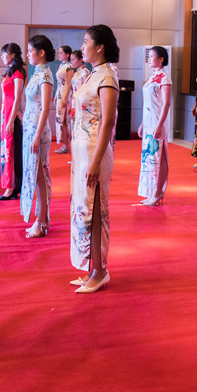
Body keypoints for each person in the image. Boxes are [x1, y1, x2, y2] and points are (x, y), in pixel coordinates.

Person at [69, 24, 120, 294]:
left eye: (86, 42)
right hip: (82, 150)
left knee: (95, 208)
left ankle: (100, 271)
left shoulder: (107, 76)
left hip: (94, 151)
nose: (82, 47)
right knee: (83, 208)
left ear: (100, 47)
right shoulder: (92, 74)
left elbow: (108, 121)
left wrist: (96, 160)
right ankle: (92, 267)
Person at [20, 35, 54, 238]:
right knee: (34, 174)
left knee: (40, 176)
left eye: (30, 51)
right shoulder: (36, 73)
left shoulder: (46, 76)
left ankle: (41, 221)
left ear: (41, 53)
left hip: (38, 133)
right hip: (30, 130)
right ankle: (41, 218)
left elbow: (46, 108)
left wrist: (37, 135)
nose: (27, 55)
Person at [137, 46, 172, 206]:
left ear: (161, 59)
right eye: (149, 56)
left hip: (158, 122)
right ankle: (152, 192)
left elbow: (166, 104)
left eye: (152, 56)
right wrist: (142, 124)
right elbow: (147, 104)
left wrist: (159, 125)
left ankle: (158, 193)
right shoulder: (152, 77)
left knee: (158, 156)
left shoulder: (164, 78)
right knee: (149, 158)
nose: (149, 59)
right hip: (148, 122)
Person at [0, 43, 25, 201]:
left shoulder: (18, 74)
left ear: (13, 55)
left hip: (12, 115)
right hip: (6, 114)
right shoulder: (10, 72)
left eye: (5, 54)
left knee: (11, 150)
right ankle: (9, 184)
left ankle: (13, 186)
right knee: (6, 150)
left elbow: (17, 98)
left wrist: (11, 120)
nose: (3, 57)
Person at [53, 45, 74, 154]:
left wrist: (65, 98)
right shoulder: (61, 65)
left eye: (61, 53)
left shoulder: (69, 66)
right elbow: (59, 83)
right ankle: (64, 144)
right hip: (61, 93)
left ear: (67, 54)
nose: (59, 54)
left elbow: (69, 83)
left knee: (65, 120)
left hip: (66, 94)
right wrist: (56, 95)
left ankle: (66, 145)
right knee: (60, 119)